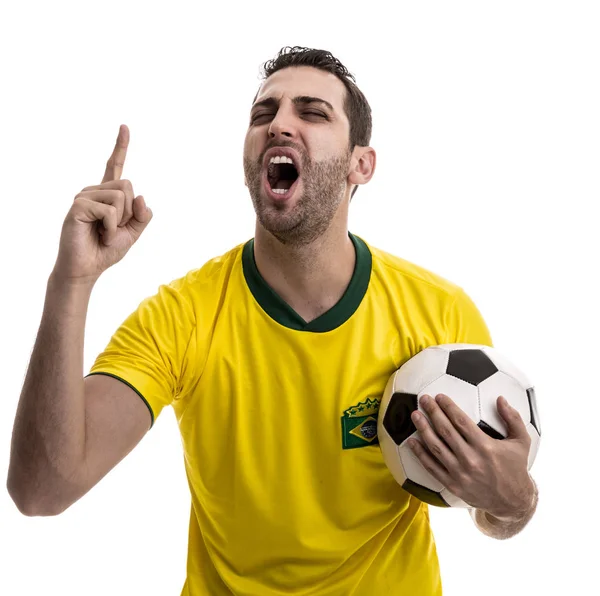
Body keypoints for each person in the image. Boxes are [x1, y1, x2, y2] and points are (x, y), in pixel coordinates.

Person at [7, 46, 538, 596]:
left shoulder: (439, 315)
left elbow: (490, 507)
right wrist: (70, 283)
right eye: (264, 114)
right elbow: (42, 490)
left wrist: (513, 500)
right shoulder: (182, 317)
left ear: (362, 164)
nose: (278, 124)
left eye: (312, 112)